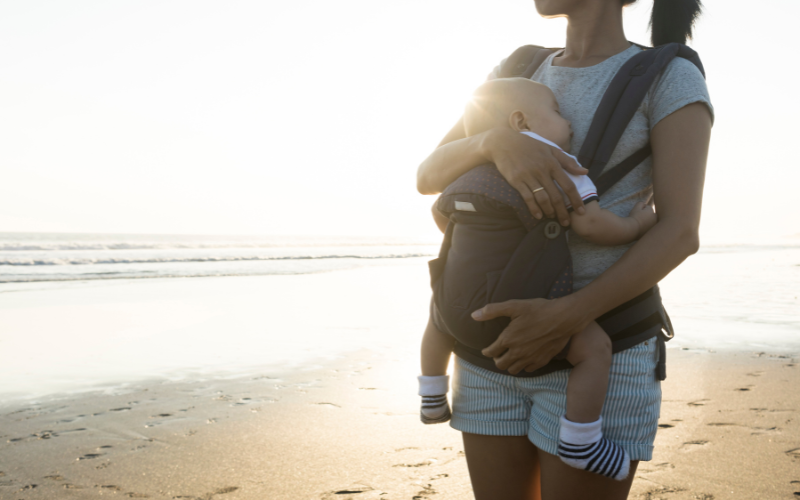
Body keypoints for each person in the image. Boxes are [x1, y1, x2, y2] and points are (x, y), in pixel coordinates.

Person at [415, 0, 712, 498]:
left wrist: (567, 316)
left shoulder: (667, 75)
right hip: (491, 351)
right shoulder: (517, 69)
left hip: (600, 353)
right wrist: (493, 142)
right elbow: (428, 176)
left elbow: (679, 231)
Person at [417, 78, 658, 483]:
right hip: (519, 310)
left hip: (462, 313)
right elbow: (592, 224)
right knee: (594, 348)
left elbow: (443, 217)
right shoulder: (558, 163)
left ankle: (431, 396)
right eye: (559, 113)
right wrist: (636, 223)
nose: (569, 124)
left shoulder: (464, 171)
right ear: (521, 121)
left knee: (438, 318)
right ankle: (581, 438)